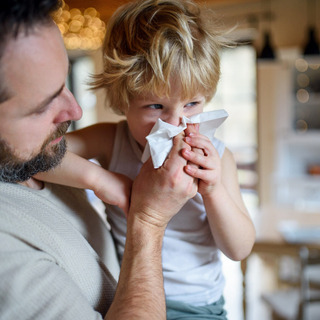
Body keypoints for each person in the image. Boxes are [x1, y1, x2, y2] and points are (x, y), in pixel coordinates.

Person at [36, 0, 256, 318]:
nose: (176, 122)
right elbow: (40, 155)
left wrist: (215, 189)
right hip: (127, 293)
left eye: (193, 103)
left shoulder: (220, 158)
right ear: (122, 101)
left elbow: (239, 249)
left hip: (198, 306)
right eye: (155, 107)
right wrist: (103, 180)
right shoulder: (112, 140)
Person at [0, 0, 198, 319]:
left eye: (64, 84)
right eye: (41, 106)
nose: (75, 111)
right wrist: (148, 222)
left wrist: (101, 179)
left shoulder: (34, 155)